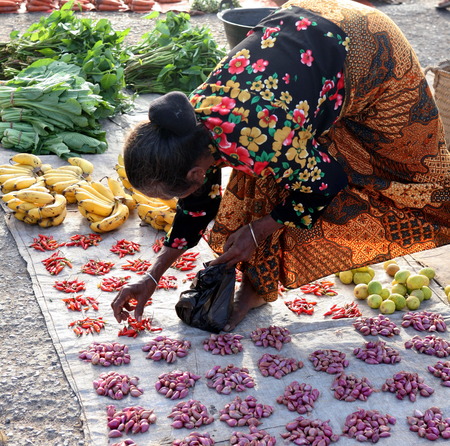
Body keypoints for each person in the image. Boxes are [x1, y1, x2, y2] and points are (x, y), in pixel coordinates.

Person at [112, 0, 450, 331]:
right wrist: (152, 275)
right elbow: (198, 207)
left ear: (195, 174)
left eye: (181, 191)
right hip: (310, 40)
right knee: (265, 177)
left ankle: (256, 283)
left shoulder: (263, 134)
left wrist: (259, 229)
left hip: (369, 45)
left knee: (408, 175)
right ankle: (256, 285)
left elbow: (325, 183)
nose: (185, 196)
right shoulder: (191, 130)